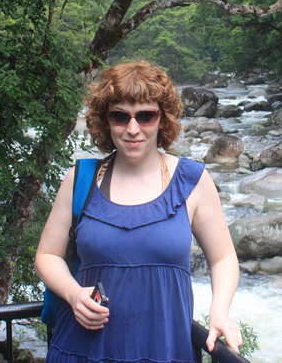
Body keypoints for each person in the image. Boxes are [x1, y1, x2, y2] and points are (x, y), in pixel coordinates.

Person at [35, 60, 242, 363]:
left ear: (163, 119)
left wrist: (219, 311)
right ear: (106, 121)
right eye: (120, 116)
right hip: (84, 350)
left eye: (145, 116)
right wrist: (73, 293)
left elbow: (223, 258)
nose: (133, 129)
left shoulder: (193, 181)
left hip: (165, 348)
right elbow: (47, 256)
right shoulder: (80, 180)